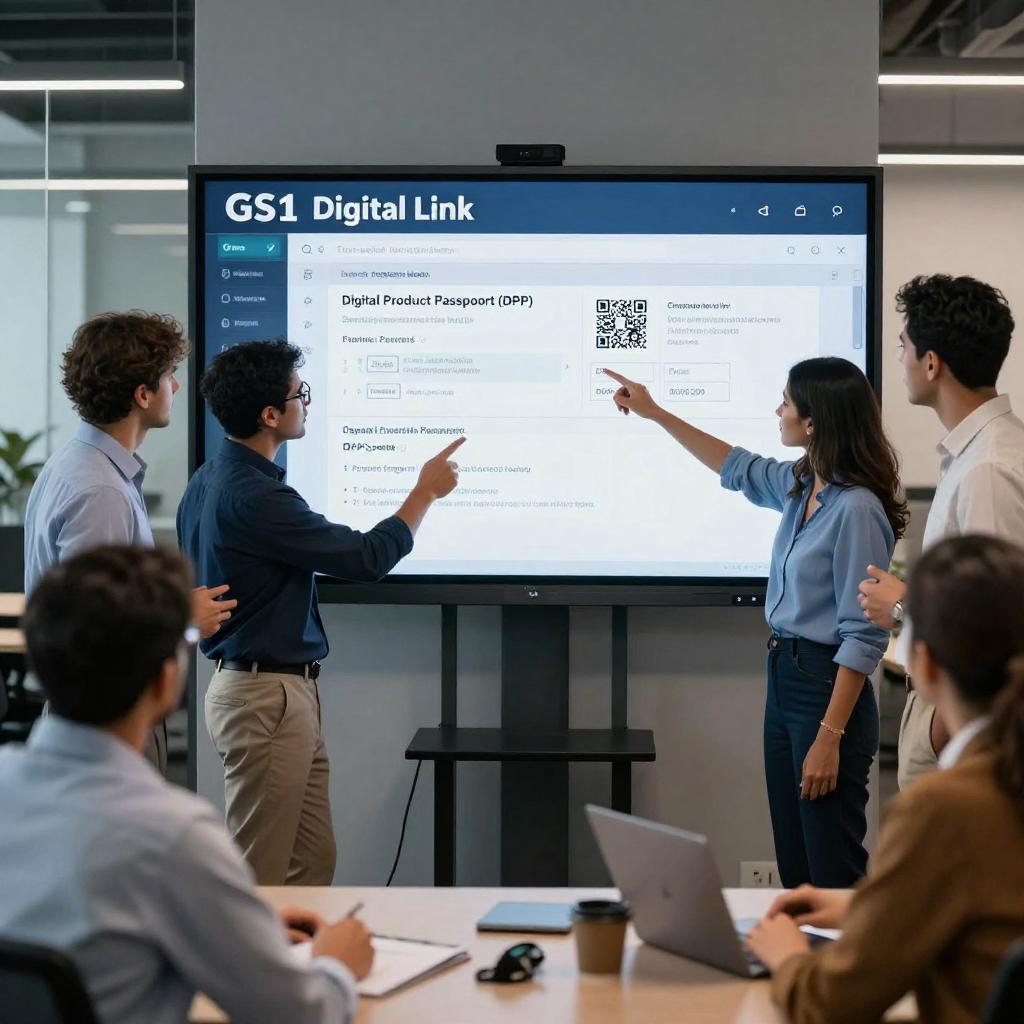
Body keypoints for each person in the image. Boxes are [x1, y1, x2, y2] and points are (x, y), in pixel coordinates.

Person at [0, 545, 373, 1024]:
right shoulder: (173, 836)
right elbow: (298, 1014)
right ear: (166, 681)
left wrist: (232, 926)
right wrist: (337, 965)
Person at [605, 357, 905, 887]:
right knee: (795, 865)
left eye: (786, 402)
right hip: (785, 675)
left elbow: (863, 636)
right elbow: (734, 465)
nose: (778, 410)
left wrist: (829, 737)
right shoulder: (803, 484)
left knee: (830, 866)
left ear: (813, 422)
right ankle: (802, 970)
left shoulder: (857, 508)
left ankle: (846, 968)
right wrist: (655, 413)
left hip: (827, 685)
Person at [177, 339, 463, 886]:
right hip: (266, 699)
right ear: (270, 415)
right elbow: (366, 557)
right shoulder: (256, 497)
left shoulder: (210, 477)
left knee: (311, 862)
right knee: (260, 874)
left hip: (277, 694)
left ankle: (296, 969)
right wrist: (424, 492)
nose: (305, 403)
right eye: (298, 394)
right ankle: (245, 972)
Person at [747, 534, 1024, 1024]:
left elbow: (830, 1005)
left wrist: (785, 953)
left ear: (923, 662)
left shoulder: (947, 806)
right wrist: (866, 909)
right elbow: (991, 915)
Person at [23, 310, 236, 772]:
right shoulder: (100, 490)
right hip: (106, 729)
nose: (176, 388)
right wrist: (183, 620)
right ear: (142, 395)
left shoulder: (77, 466)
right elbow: (97, 637)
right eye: (168, 377)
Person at [858, 274, 1024, 789]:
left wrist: (902, 608)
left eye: (905, 346)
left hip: (960, 728)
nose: (901, 359)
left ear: (932, 363)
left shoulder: (987, 468)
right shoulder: (980, 452)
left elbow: (997, 627)